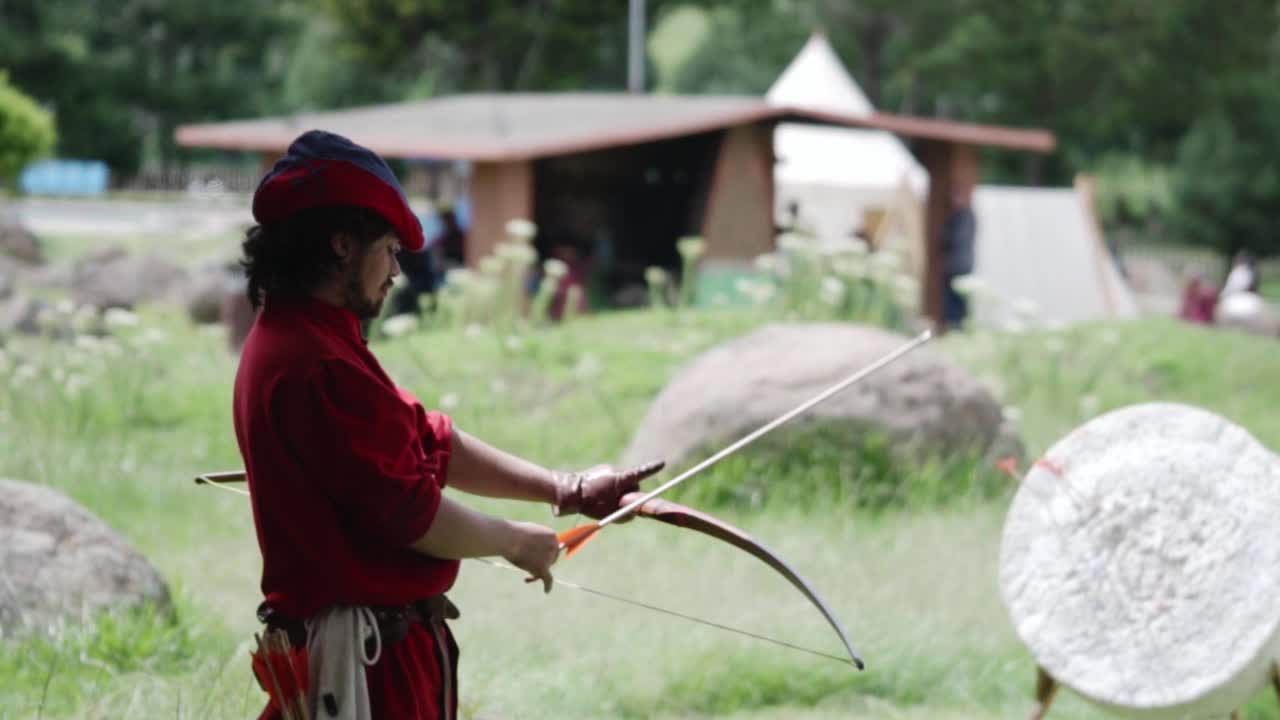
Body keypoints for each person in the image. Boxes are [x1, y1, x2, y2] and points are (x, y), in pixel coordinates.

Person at [233, 130, 663, 720]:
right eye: (388, 249)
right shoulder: (313, 361)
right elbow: (411, 514)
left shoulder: (310, 338)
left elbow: (426, 438)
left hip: (376, 655)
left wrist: (567, 489)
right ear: (342, 245)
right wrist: (515, 541)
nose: (396, 271)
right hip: (366, 670)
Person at [941, 189, 977, 329]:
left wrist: (946, 235)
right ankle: (955, 326)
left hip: (958, 265)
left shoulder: (964, 217)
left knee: (957, 300)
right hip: (960, 264)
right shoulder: (963, 216)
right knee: (956, 299)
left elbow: (957, 240)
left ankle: (956, 327)